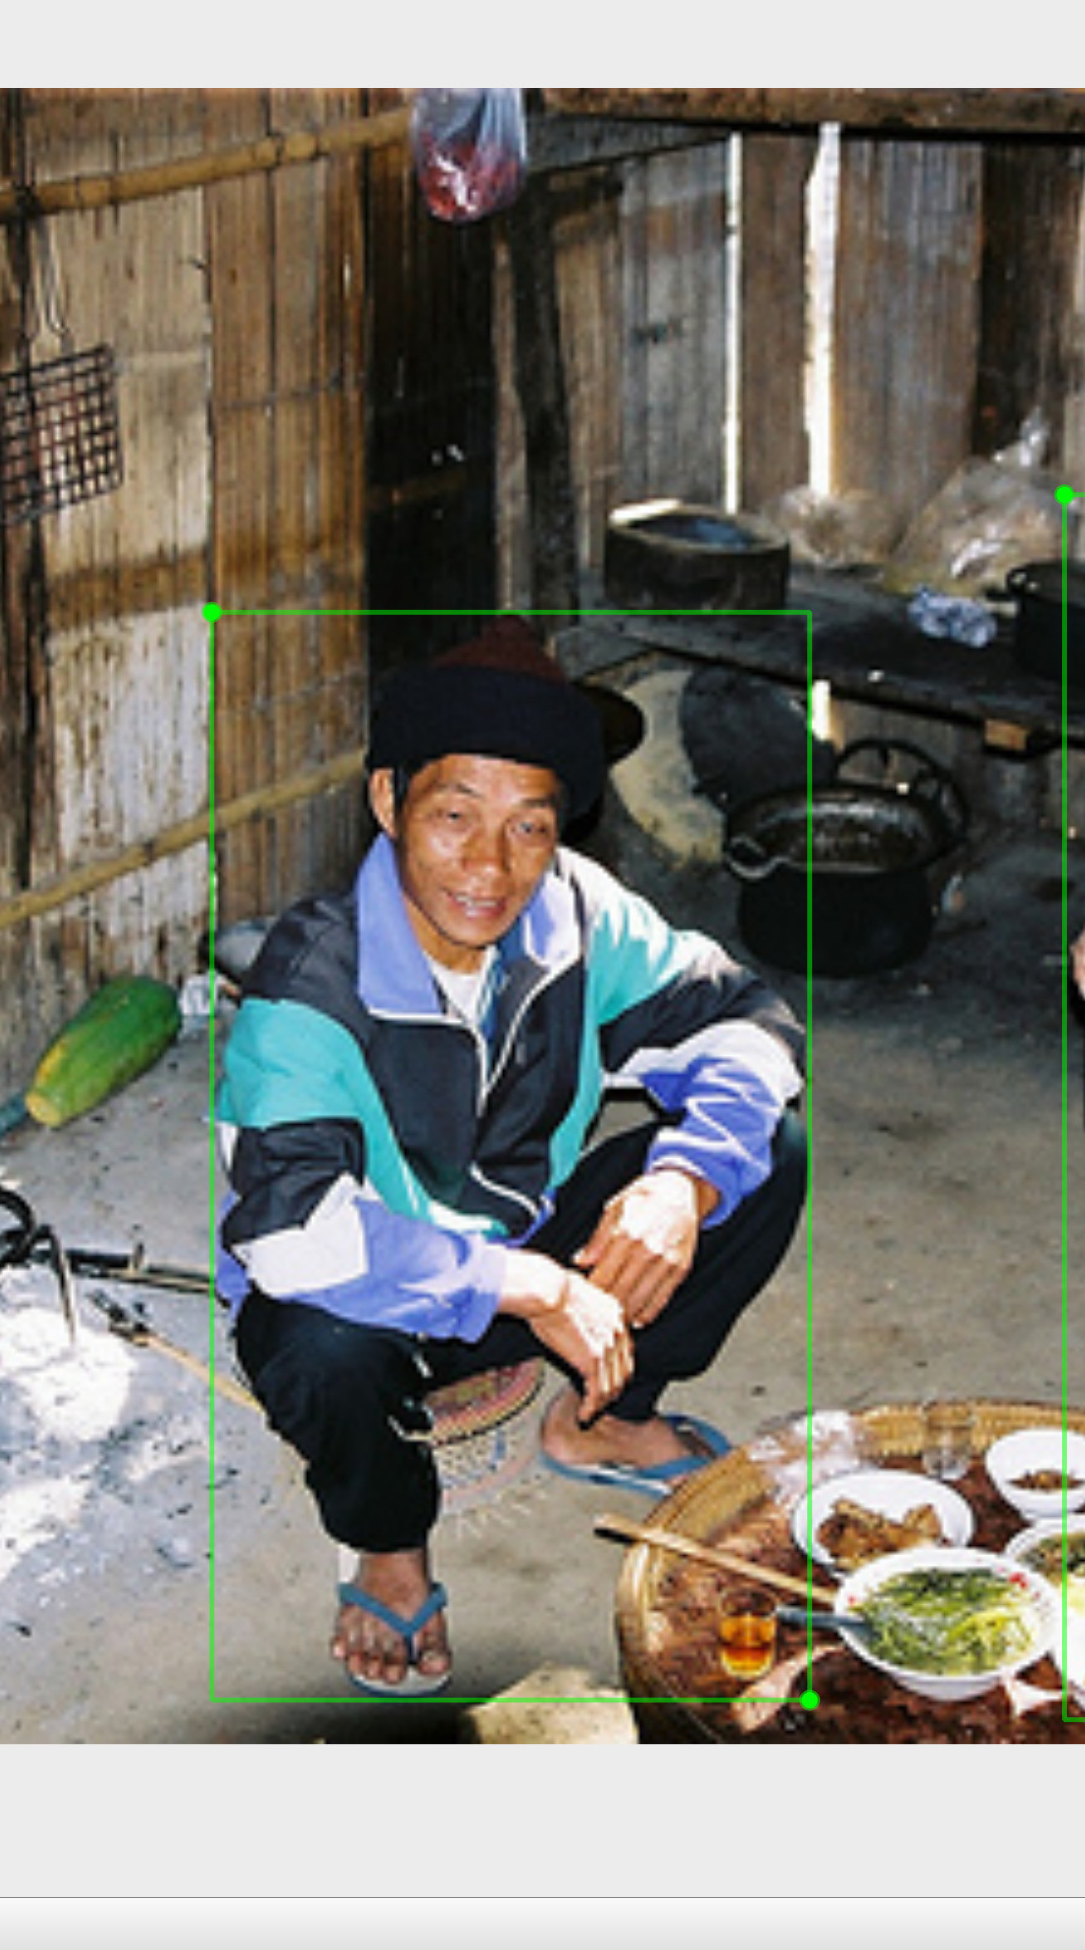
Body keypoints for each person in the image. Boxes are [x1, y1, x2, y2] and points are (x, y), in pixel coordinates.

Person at [216, 620, 807, 1696]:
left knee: (761, 1142)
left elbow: (745, 1018)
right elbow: (294, 1233)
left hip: (526, 1246)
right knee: (313, 1345)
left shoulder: (575, 913)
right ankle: (387, 1545)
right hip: (375, 1297)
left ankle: (607, 1416)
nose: (490, 866)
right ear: (388, 800)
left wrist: (680, 1184)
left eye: (528, 825)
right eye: (454, 816)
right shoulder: (307, 985)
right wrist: (533, 1288)